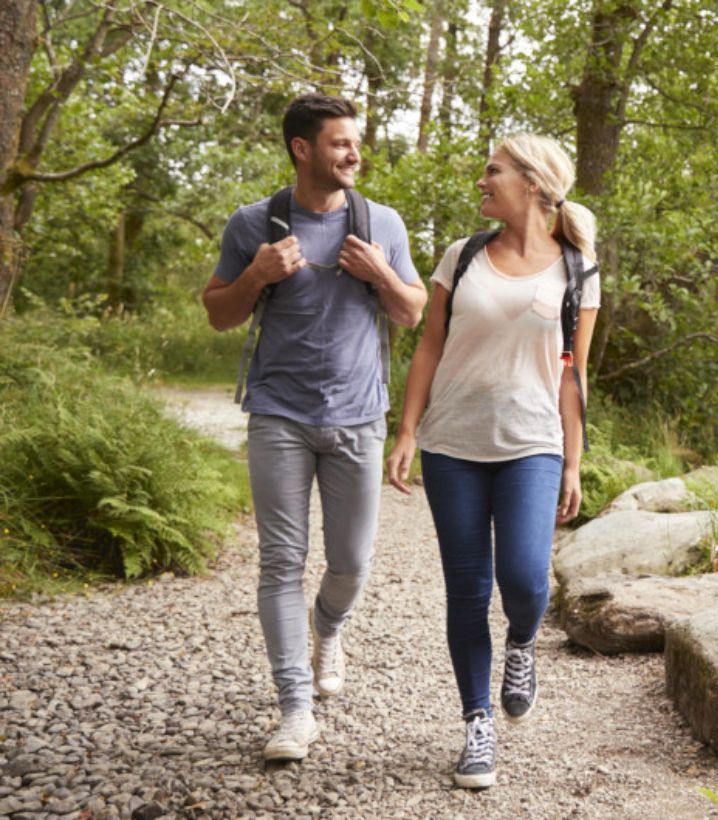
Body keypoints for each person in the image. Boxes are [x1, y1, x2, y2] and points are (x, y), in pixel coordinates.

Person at [203, 94, 426, 761]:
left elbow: (412, 312)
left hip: (358, 417)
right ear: (302, 149)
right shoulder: (253, 223)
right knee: (281, 561)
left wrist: (381, 273)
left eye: (356, 141)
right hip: (279, 415)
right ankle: (294, 710)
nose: (355, 153)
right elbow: (219, 313)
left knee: (351, 563)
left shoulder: (381, 222)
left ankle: (329, 626)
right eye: (340, 143)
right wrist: (255, 274)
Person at [386, 134, 600, 789]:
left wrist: (572, 462)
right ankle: (477, 724)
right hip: (452, 444)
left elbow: (574, 373)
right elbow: (429, 346)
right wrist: (408, 430)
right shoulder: (463, 256)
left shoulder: (578, 269)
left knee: (526, 579)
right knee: (468, 590)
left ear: (533, 185)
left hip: (533, 444)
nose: (481, 182)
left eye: (492, 171)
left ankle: (521, 643)